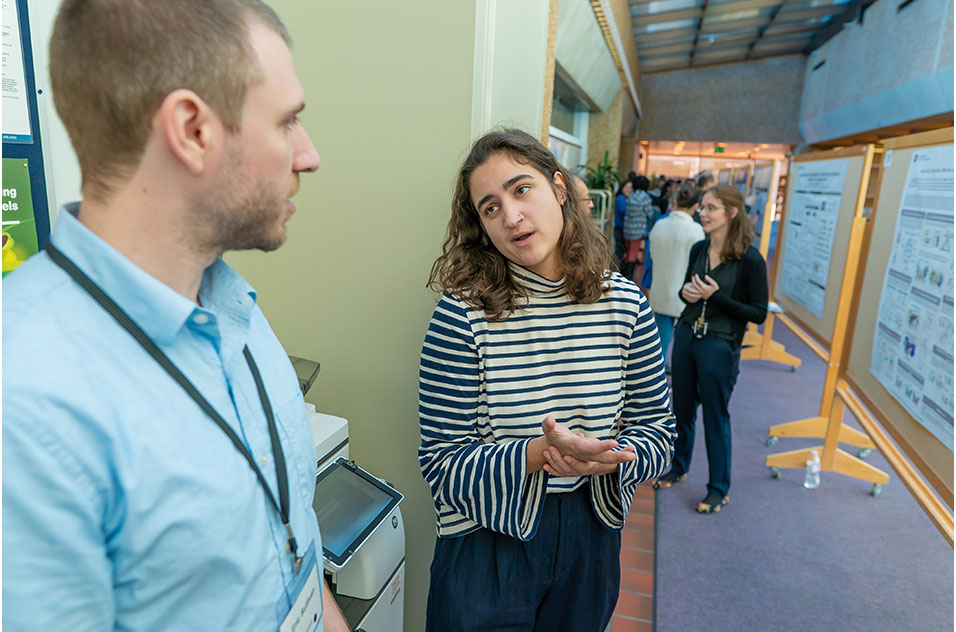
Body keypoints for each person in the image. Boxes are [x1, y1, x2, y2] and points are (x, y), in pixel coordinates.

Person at [2, 2, 350, 630]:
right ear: (191, 130)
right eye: (288, 121)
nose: (309, 155)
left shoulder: (235, 309)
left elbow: (293, 558)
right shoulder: (25, 406)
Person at [419, 129, 675, 631]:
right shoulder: (462, 316)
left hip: (591, 532)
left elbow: (660, 434)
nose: (511, 216)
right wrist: (538, 454)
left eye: (521, 190)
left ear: (559, 189)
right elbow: (440, 463)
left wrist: (612, 457)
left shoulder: (626, 305)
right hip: (487, 538)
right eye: (489, 207)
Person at [653, 185, 768, 515]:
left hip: (720, 345)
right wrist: (687, 293)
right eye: (702, 207)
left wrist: (715, 297)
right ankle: (678, 467)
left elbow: (758, 313)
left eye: (711, 208)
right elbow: (687, 292)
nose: (702, 212)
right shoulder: (699, 248)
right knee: (682, 411)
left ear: (732, 213)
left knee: (716, 418)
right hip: (687, 336)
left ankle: (719, 488)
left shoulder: (750, 259)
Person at [647, 180, 705, 372]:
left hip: (660, 289)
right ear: (696, 206)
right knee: (682, 343)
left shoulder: (659, 225)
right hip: (685, 293)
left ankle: (658, 378)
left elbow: (653, 255)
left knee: (660, 341)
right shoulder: (696, 230)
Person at [623, 175, 654, 283]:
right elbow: (650, 214)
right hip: (638, 230)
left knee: (628, 253)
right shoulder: (645, 197)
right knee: (633, 255)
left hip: (627, 229)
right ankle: (628, 280)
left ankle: (625, 276)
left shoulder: (630, 196)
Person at [613, 179, 633, 272]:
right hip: (619, 229)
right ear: (622, 188)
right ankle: (615, 272)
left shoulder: (625, 198)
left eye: (631, 188)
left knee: (621, 251)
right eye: (627, 187)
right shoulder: (621, 198)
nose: (629, 190)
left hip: (622, 229)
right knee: (619, 252)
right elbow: (623, 210)